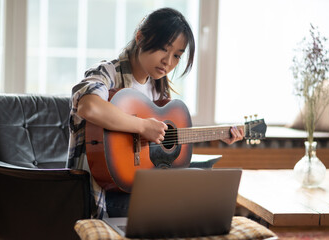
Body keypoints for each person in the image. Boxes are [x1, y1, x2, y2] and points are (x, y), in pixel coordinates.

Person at [67, 7, 244, 219]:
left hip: (136, 186)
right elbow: (89, 107)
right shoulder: (108, 72)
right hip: (101, 192)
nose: (168, 62)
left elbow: (156, 145)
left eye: (177, 55)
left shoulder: (158, 88)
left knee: (204, 187)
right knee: (183, 209)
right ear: (140, 37)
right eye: (163, 49)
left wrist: (219, 134)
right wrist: (142, 126)